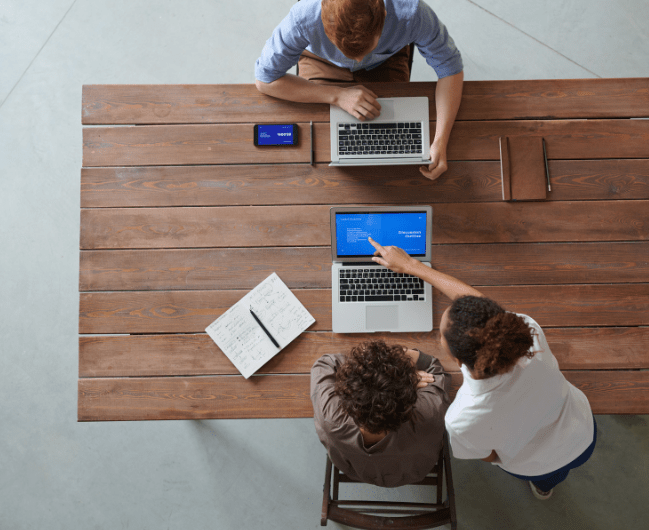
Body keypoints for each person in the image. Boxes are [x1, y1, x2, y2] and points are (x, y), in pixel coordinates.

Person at [368, 236, 596, 500]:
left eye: (441, 335)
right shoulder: (528, 333)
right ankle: (545, 485)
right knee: (556, 471)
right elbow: (483, 308)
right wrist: (410, 265)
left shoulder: (462, 417)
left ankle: (544, 486)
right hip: (582, 429)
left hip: (537, 463)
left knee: (549, 474)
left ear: (457, 359)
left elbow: (490, 455)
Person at [254, 0, 464, 180]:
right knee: (319, 159)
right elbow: (264, 79)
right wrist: (337, 96)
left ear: (384, 15)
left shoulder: (412, 13)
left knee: (396, 157)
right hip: (323, 62)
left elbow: (450, 69)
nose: (358, 61)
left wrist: (440, 140)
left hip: (385, 61)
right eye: (346, 51)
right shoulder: (304, 17)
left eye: (365, 50)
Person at [310, 340, 451, 487]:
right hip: (413, 471)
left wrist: (365, 367)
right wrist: (400, 372)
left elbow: (325, 363)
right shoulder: (428, 412)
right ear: (410, 399)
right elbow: (434, 367)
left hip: (356, 470)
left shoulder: (330, 415)